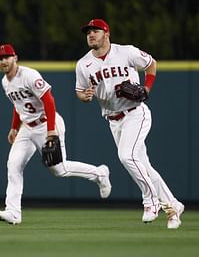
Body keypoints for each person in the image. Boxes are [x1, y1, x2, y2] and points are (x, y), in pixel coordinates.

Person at [75, 19, 184, 229]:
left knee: (126, 156)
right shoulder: (83, 64)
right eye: (88, 32)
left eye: (95, 31)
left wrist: (147, 88)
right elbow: (79, 90)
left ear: (106, 33)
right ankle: (173, 206)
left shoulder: (126, 52)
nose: (90, 34)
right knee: (144, 167)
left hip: (135, 113)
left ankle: (150, 202)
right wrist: (84, 96)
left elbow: (151, 64)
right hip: (113, 120)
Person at [0, 43, 112, 225]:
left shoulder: (29, 75)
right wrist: (14, 127)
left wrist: (51, 130)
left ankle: (99, 174)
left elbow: (48, 99)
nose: (3, 61)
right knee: (13, 165)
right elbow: (19, 106)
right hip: (26, 128)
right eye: (0, 58)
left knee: (59, 169)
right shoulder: (4, 82)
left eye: (7, 57)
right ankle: (13, 212)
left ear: (15, 57)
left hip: (47, 123)